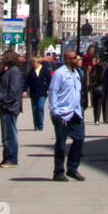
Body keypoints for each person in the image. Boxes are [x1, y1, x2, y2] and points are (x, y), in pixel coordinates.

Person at [48, 46, 85, 182]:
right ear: (68, 60)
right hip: (62, 113)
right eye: (75, 58)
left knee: (79, 139)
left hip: (75, 112)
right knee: (61, 144)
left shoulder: (76, 73)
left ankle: (72, 168)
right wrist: (55, 113)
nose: (77, 60)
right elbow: (53, 92)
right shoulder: (59, 74)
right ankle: (58, 171)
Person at [0, 52, 23, 168]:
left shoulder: (14, 71)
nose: (2, 59)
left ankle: (11, 159)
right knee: (6, 134)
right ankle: (6, 157)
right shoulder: (9, 70)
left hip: (9, 107)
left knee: (10, 134)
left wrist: (6, 103)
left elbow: (14, 90)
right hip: (5, 106)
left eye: (4, 57)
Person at [24, 53, 51, 131]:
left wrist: (48, 89)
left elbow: (49, 81)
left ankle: (41, 123)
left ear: (38, 62)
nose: (33, 63)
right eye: (32, 62)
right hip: (33, 93)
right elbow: (26, 82)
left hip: (42, 93)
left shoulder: (45, 71)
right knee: (35, 109)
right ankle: (36, 125)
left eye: (34, 62)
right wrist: (24, 90)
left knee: (40, 107)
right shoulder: (31, 72)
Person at [89, 55, 107, 124]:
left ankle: (97, 119)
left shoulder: (99, 67)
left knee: (98, 104)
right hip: (97, 88)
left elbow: (101, 78)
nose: (92, 62)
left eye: (93, 61)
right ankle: (96, 119)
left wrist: (94, 83)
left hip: (99, 88)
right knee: (96, 104)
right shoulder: (93, 68)